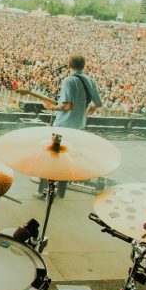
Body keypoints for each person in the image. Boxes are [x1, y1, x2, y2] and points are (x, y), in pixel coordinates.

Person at [38, 54, 103, 200]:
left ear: (70, 65)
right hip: (79, 126)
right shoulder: (90, 80)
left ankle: (44, 191)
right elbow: (98, 103)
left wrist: (51, 108)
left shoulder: (69, 80)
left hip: (63, 126)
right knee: (68, 160)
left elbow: (67, 106)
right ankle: (61, 192)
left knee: (51, 157)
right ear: (83, 65)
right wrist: (90, 107)